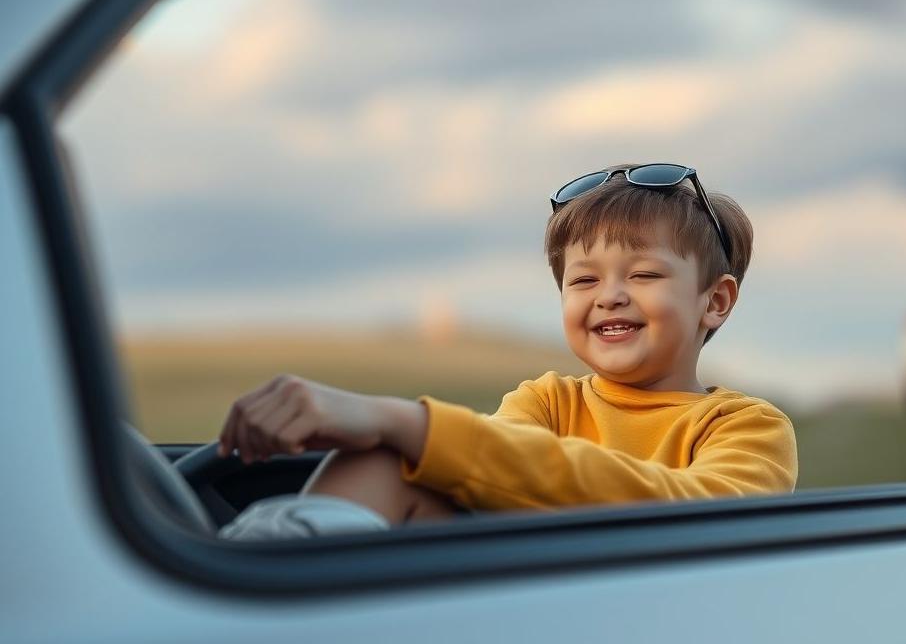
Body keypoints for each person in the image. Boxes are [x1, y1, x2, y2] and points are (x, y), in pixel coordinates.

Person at [216, 163, 797, 538]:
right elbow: (487, 469)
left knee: (405, 445)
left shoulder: (744, 428)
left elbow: (692, 517)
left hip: (635, 639)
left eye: (644, 275)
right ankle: (254, 589)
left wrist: (400, 419)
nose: (610, 297)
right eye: (584, 280)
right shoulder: (544, 403)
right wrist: (404, 435)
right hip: (517, 608)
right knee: (385, 461)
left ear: (715, 302)